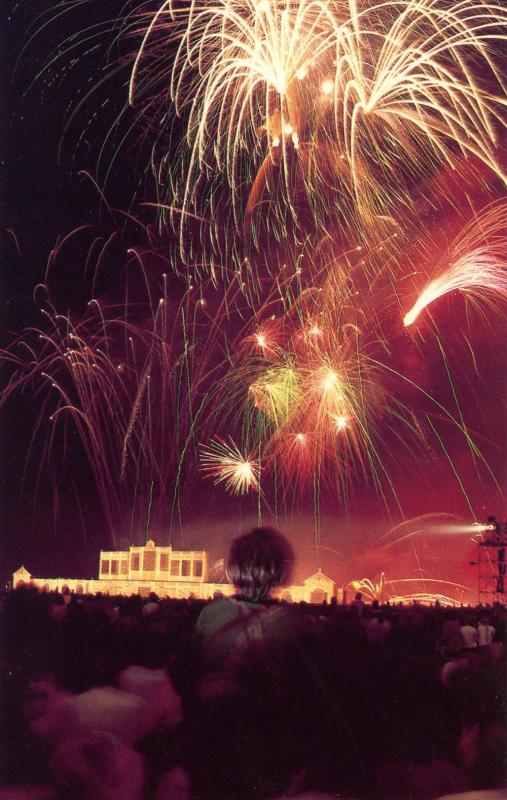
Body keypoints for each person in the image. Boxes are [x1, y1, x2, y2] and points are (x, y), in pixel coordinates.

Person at [194, 526, 295, 697]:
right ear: (282, 571)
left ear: (231, 571)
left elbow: (196, 660)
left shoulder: (211, 613)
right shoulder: (292, 622)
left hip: (218, 709)